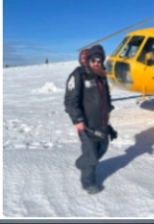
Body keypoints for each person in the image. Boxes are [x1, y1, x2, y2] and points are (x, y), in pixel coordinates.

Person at [64, 45, 117, 194]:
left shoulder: (101, 75)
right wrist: (78, 120)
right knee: (91, 154)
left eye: (99, 60)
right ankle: (88, 183)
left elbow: (106, 97)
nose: (96, 63)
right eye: (93, 60)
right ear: (88, 60)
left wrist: (108, 117)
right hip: (86, 123)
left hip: (101, 121)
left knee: (103, 147)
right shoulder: (78, 75)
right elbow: (70, 100)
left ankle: (83, 163)